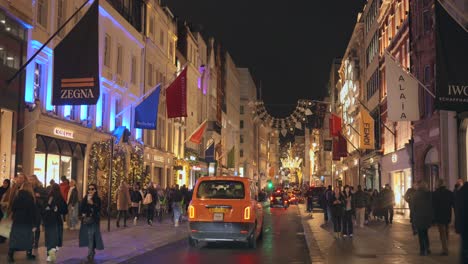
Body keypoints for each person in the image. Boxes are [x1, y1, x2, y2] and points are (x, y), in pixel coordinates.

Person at [8, 184, 39, 262]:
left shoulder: (17, 196)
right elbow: (33, 211)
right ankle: (29, 254)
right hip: (27, 221)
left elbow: (13, 208)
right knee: (28, 237)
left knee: (15, 237)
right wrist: (35, 223)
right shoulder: (30, 198)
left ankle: (10, 254)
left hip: (17, 220)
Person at [79, 183, 104, 262]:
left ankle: (90, 253)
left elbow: (98, 209)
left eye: (92, 189)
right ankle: (91, 251)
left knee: (91, 236)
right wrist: (83, 213)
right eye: (89, 189)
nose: (90, 190)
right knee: (89, 236)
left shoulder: (97, 199)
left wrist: (92, 204)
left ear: (95, 190)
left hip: (94, 220)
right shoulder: (85, 198)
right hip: (87, 220)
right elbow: (81, 208)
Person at [43, 184, 66, 262]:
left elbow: (44, 208)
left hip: (49, 221)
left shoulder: (49, 197)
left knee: (50, 239)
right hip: (57, 221)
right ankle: (52, 253)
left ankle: (50, 254)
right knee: (56, 239)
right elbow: (65, 210)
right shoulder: (60, 197)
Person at [432, 179, 454, 256]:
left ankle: (445, 249)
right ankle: (446, 247)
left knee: (442, 233)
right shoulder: (449, 193)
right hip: (447, 215)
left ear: (438, 184)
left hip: (439, 215)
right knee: (447, 232)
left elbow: (433, 206)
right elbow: (453, 204)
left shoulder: (435, 193)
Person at [412, 180, 433, 256]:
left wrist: (413, 217)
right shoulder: (429, 194)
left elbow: (413, 207)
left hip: (419, 217)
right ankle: (427, 248)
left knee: (421, 234)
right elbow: (431, 206)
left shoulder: (416, 194)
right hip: (426, 217)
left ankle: (422, 250)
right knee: (425, 233)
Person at [455, 179, 468, 264]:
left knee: (465, 244)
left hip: (463, 224)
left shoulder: (461, 192)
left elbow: (458, 210)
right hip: (464, 223)